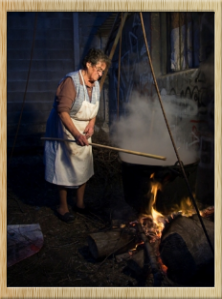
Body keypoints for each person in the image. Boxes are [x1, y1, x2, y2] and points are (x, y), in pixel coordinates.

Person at [44, 48, 111, 222]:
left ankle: (80, 204)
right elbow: (62, 111)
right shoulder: (71, 82)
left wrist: (91, 124)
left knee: (84, 166)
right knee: (64, 166)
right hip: (65, 126)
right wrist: (76, 134)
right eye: (98, 69)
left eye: (102, 71)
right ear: (88, 64)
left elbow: (93, 107)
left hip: (83, 128)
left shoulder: (95, 83)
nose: (100, 73)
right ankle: (63, 207)